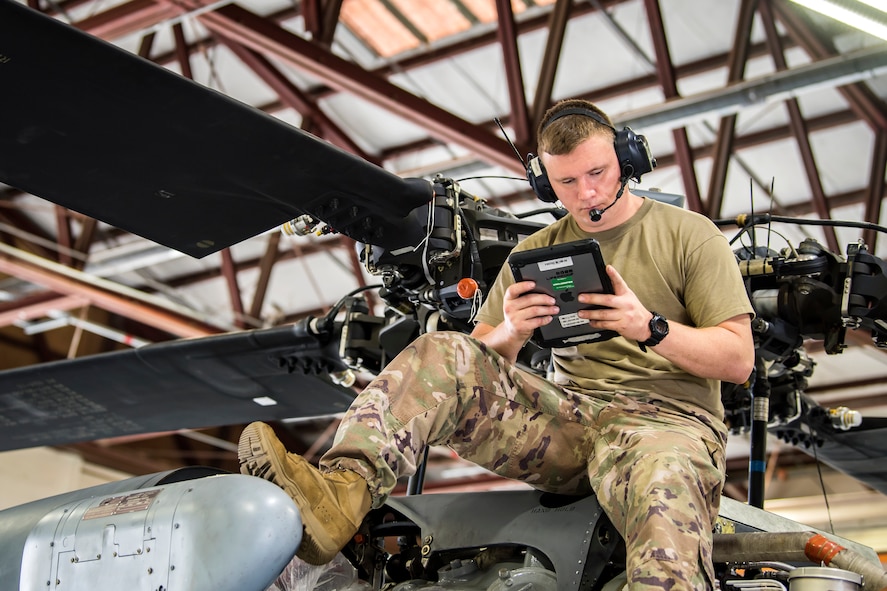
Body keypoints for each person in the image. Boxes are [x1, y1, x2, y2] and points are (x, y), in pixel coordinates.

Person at [239, 98, 756, 590]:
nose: (586, 194)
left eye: (597, 173)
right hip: (571, 422)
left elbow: (738, 360)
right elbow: (472, 365)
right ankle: (341, 491)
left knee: (663, 493)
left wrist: (649, 327)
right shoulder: (535, 252)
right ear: (545, 183)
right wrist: (512, 329)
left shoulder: (690, 235)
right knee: (441, 350)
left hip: (668, 426)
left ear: (626, 160)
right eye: (566, 182)